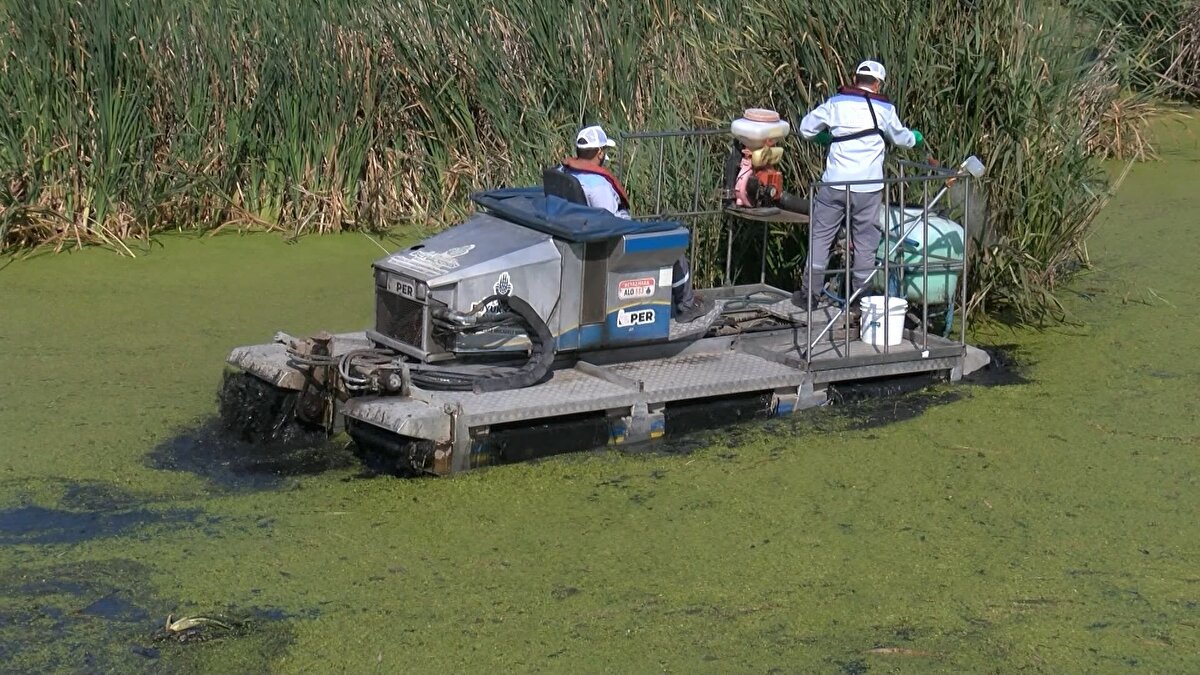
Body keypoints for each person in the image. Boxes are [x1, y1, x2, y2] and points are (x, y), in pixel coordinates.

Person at [795, 60, 924, 315]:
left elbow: (805, 128)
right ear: (877, 83)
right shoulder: (885, 108)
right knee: (865, 243)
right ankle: (859, 299)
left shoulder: (835, 103)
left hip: (834, 184)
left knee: (821, 237)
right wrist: (916, 138)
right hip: (867, 188)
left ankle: (810, 294)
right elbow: (903, 139)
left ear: (856, 79)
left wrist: (826, 138)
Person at [558, 125, 713, 323]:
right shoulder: (598, 186)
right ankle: (687, 306)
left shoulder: (564, 172)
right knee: (673, 246)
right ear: (599, 153)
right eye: (604, 151)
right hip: (614, 245)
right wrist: (645, 230)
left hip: (582, 236)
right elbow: (612, 225)